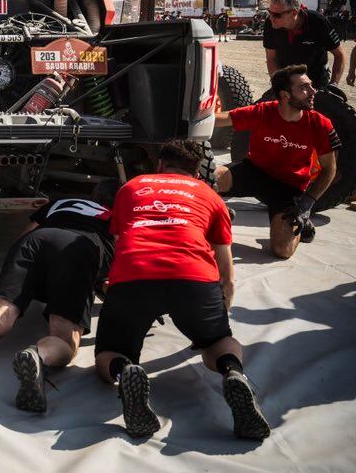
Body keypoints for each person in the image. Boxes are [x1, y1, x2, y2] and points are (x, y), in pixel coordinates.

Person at [94, 140, 270, 441]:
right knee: (218, 342)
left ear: (160, 165)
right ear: (197, 172)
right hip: (193, 276)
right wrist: (220, 310)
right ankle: (231, 371)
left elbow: (120, 241)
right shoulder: (210, 196)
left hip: (136, 273)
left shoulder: (132, 187)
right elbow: (225, 265)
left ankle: (124, 370)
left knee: (109, 353)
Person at [0, 181, 120, 411]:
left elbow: (24, 235)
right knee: (65, 340)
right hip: (78, 248)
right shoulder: (118, 218)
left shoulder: (61, 203)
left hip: (35, 240)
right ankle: (38, 356)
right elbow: (116, 273)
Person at [213, 64, 340, 257]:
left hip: (288, 187)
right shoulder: (263, 111)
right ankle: (217, 213)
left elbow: (329, 169)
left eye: (311, 86)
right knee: (211, 177)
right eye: (304, 88)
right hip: (254, 172)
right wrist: (192, 117)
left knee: (282, 250)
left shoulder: (320, 124)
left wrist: (306, 205)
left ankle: (302, 226)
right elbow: (224, 118)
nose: (313, 91)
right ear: (285, 95)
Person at [263, 0, 345, 89]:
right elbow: (271, 58)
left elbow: (339, 55)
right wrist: (278, 84)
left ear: (294, 13)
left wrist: (333, 84)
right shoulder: (270, 24)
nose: (271, 18)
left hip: (316, 80)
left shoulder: (317, 21)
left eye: (277, 15)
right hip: (286, 81)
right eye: (270, 12)